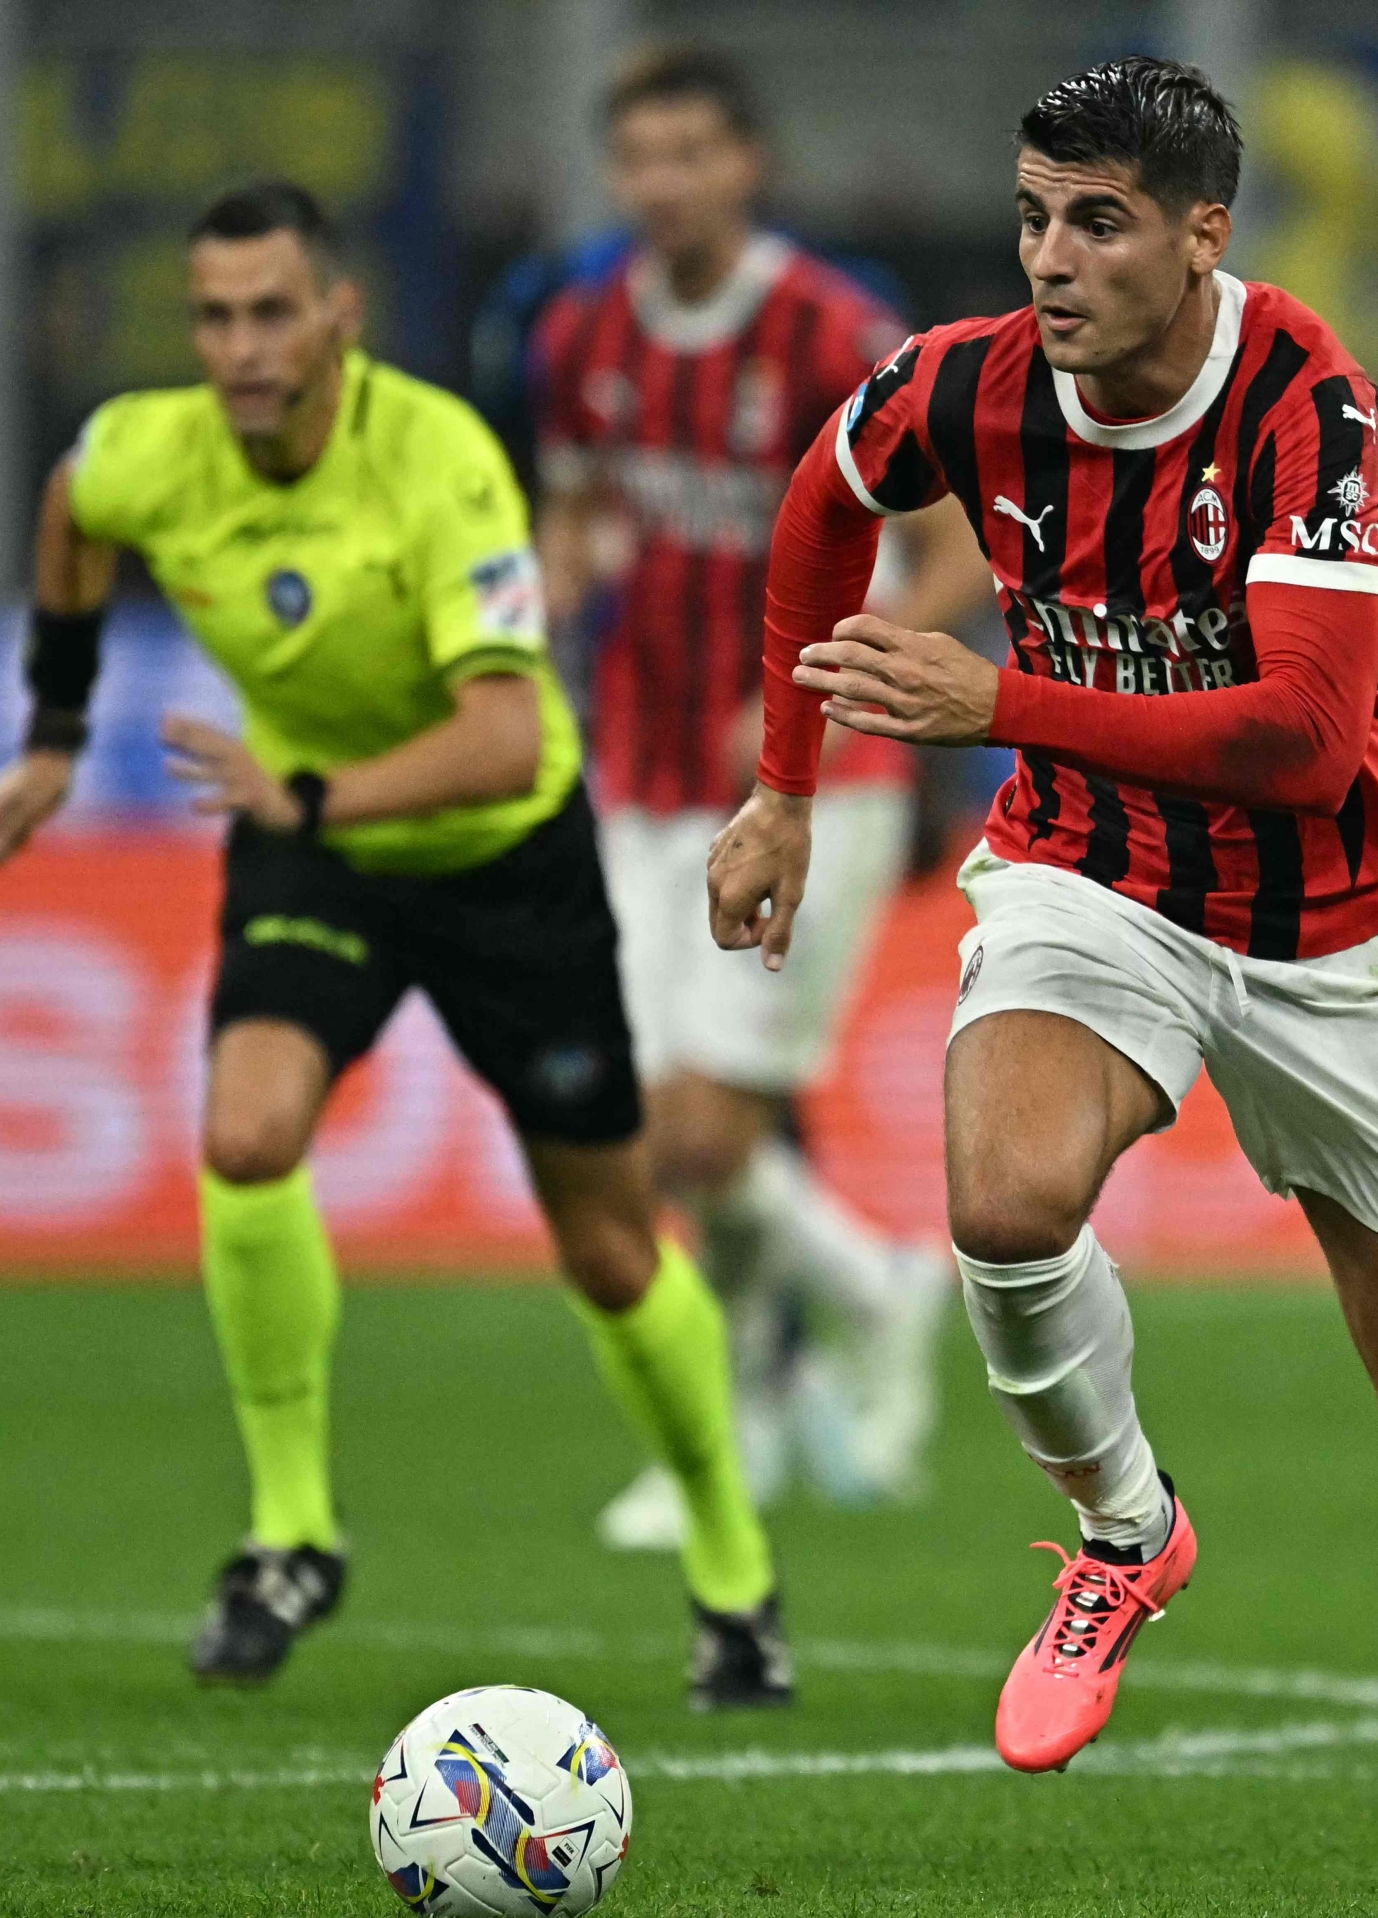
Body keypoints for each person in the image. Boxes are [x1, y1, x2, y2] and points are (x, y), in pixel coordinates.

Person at [707, 59, 1378, 1899]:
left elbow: (1299, 732)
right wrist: (782, 790)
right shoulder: (968, 378)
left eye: (1099, 221)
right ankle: (1126, 1533)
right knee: (1004, 1196)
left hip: (1337, 929)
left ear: (1204, 235)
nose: (1052, 258)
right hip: (1088, 874)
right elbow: (822, 504)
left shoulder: (1309, 406)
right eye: (1034, 214)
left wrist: (997, 699)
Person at [0, 180, 792, 1709]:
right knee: (248, 1132)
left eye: (272, 311)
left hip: (500, 858)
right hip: (314, 847)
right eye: (214, 316)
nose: (240, 347)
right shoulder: (161, 451)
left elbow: (490, 736)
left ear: (338, 316)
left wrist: (312, 791)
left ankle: (734, 1576)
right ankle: (291, 1535)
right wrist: (58, 730)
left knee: (609, 1248)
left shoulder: (442, 466)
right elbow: (75, 502)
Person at [531, 48, 993, 1543]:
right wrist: (523, 621)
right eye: (640, 156)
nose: (664, 181)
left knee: (700, 1137)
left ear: (748, 164)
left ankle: (749, 1395)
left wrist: (842, 676)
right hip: (639, 768)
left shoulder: (831, 331)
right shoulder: (582, 328)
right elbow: (580, 521)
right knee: (647, 1129)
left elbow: (958, 552)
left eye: (691, 152)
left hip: (816, 780)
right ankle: (858, 1303)